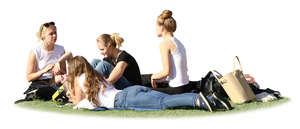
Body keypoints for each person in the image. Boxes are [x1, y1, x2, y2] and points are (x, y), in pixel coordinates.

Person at [66, 56, 232, 112]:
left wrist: (69, 91)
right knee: (166, 98)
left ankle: (201, 101)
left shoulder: (79, 80)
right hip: (131, 90)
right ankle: (208, 98)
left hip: (123, 100)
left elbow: (79, 103)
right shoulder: (96, 75)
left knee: (164, 103)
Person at [25, 21, 72, 99]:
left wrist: (58, 73)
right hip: (40, 83)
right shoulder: (35, 52)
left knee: (67, 86)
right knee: (48, 90)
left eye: (55, 33)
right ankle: (41, 93)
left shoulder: (60, 49)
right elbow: (29, 77)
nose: (54, 36)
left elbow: (64, 72)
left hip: (55, 82)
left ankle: (49, 94)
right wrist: (44, 70)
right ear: (43, 36)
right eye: (51, 34)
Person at [149, 10, 192, 94]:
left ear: (162, 27)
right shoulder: (179, 43)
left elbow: (166, 72)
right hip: (185, 86)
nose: (155, 29)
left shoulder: (165, 44)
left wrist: (153, 77)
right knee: (147, 79)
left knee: (142, 89)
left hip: (177, 88)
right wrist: (156, 79)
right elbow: (173, 72)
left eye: (156, 26)